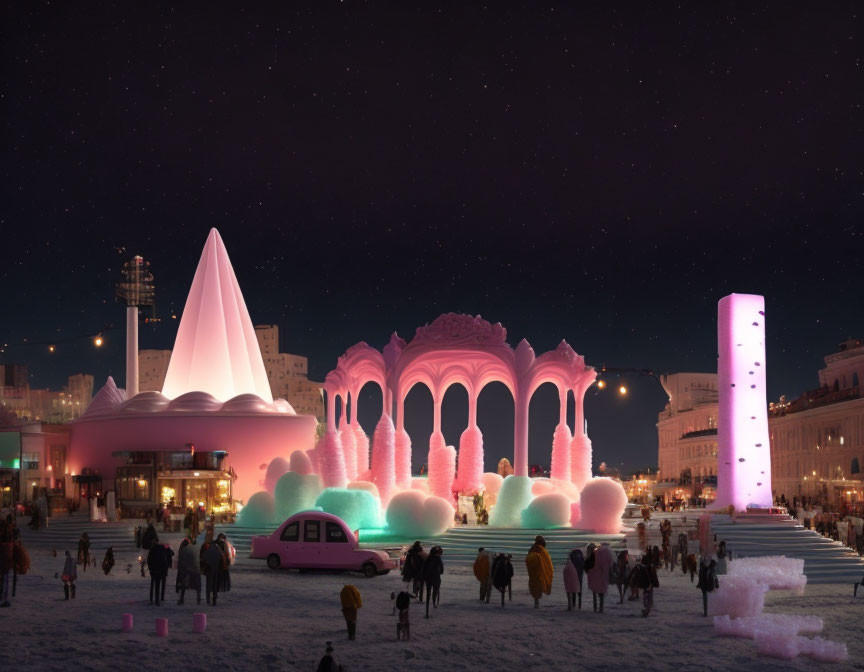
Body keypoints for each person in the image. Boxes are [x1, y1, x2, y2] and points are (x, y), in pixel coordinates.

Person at [525, 535, 553, 609]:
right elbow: (548, 562)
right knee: (538, 584)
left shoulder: (533, 549)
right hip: (539, 571)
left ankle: (536, 601)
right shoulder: (542, 550)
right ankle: (536, 601)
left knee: (535, 584)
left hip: (534, 572)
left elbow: (527, 559)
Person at [585, 542, 612, 613]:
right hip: (601, 575)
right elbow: (608, 563)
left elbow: (587, 566)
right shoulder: (603, 553)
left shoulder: (592, 556)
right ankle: (601, 609)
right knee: (601, 593)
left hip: (594, 575)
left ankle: (595, 608)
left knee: (595, 593)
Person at [421, 545, 444, 618]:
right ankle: (434, 602)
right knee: (435, 590)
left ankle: (427, 607)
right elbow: (441, 571)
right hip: (436, 578)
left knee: (428, 592)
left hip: (428, 578)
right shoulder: (438, 559)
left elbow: (424, 569)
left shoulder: (428, 558)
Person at [177, 538, 202, 605]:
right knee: (198, 586)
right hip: (196, 570)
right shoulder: (197, 549)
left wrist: (182, 571)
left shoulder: (185, 550)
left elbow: (182, 561)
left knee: (184, 585)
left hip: (188, 571)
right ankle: (198, 598)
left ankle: (181, 599)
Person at [202, 540, 226, 605]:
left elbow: (203, 559)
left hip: (209, 571)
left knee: (208, 585)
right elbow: (222, 561)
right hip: (216, 571)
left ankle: (208, 599)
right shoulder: (218, 552)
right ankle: (214, 599)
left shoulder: (207, 552)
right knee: (215, 585)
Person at [147, 541, 169, 606]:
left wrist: (151, 570)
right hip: (161, 571)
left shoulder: (152, 551)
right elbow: (166, 560)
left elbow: (149, 561)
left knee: (155, 585)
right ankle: (160, 599)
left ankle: (152, 599)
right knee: (160, 584)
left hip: (154, 571)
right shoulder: (163, 550)